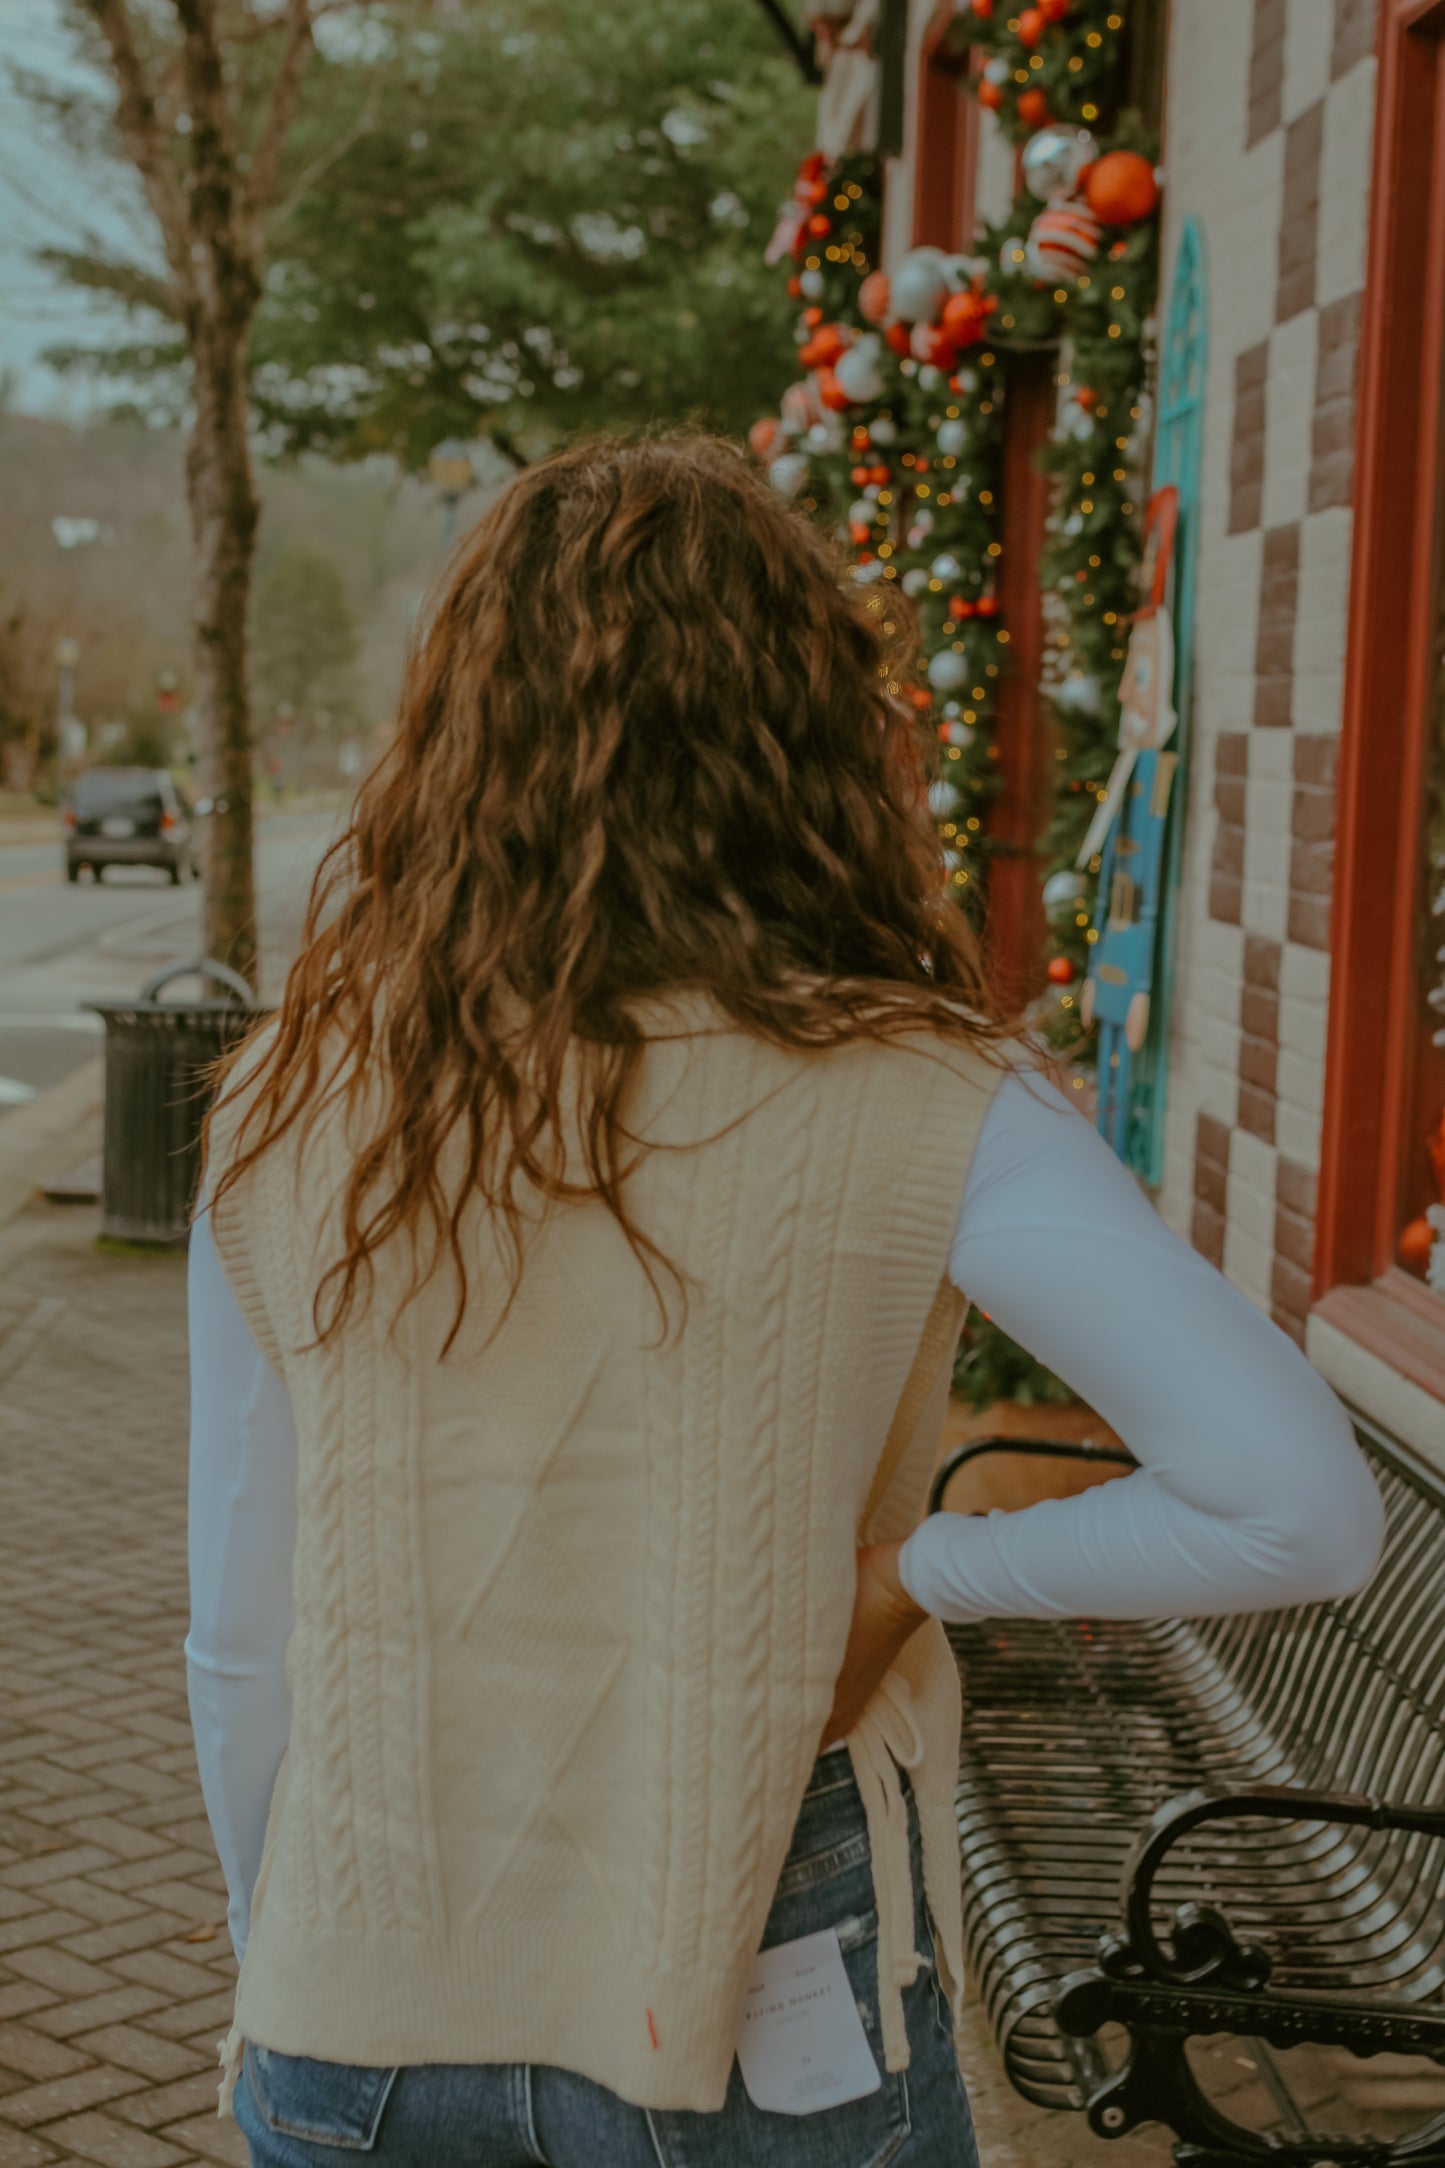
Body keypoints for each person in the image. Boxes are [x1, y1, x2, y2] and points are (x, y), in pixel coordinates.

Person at [187, 433, 1384, 2168]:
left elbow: (241, 1637)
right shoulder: (924, 1094)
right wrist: (913, 1581)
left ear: (455, 737)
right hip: (762, 1958)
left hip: (361, 1978)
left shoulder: (294, 1101)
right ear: (811, 731)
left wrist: (271, 1946)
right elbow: (1296, 1508)